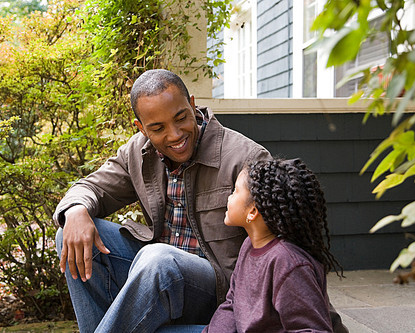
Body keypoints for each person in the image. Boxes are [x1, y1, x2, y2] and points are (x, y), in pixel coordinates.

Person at [53, 69, 347, 333]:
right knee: (71, 233)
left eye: (181, 117)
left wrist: (323, 321)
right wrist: (76, 209)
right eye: (158, 128)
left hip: (221, 294)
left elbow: (292, 251)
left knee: (158, 260)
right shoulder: (137, 154)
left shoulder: (245, 159)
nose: (175, 134)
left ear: (192, 104)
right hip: (160, 282)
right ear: (141, 127)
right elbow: (90, 187)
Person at [202, 158, 345, 332]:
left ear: (253, 211)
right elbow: (232, 304)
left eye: (235, 191)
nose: (228, 197)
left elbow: (312, 329)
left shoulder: (287, 263)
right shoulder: (249, 245)